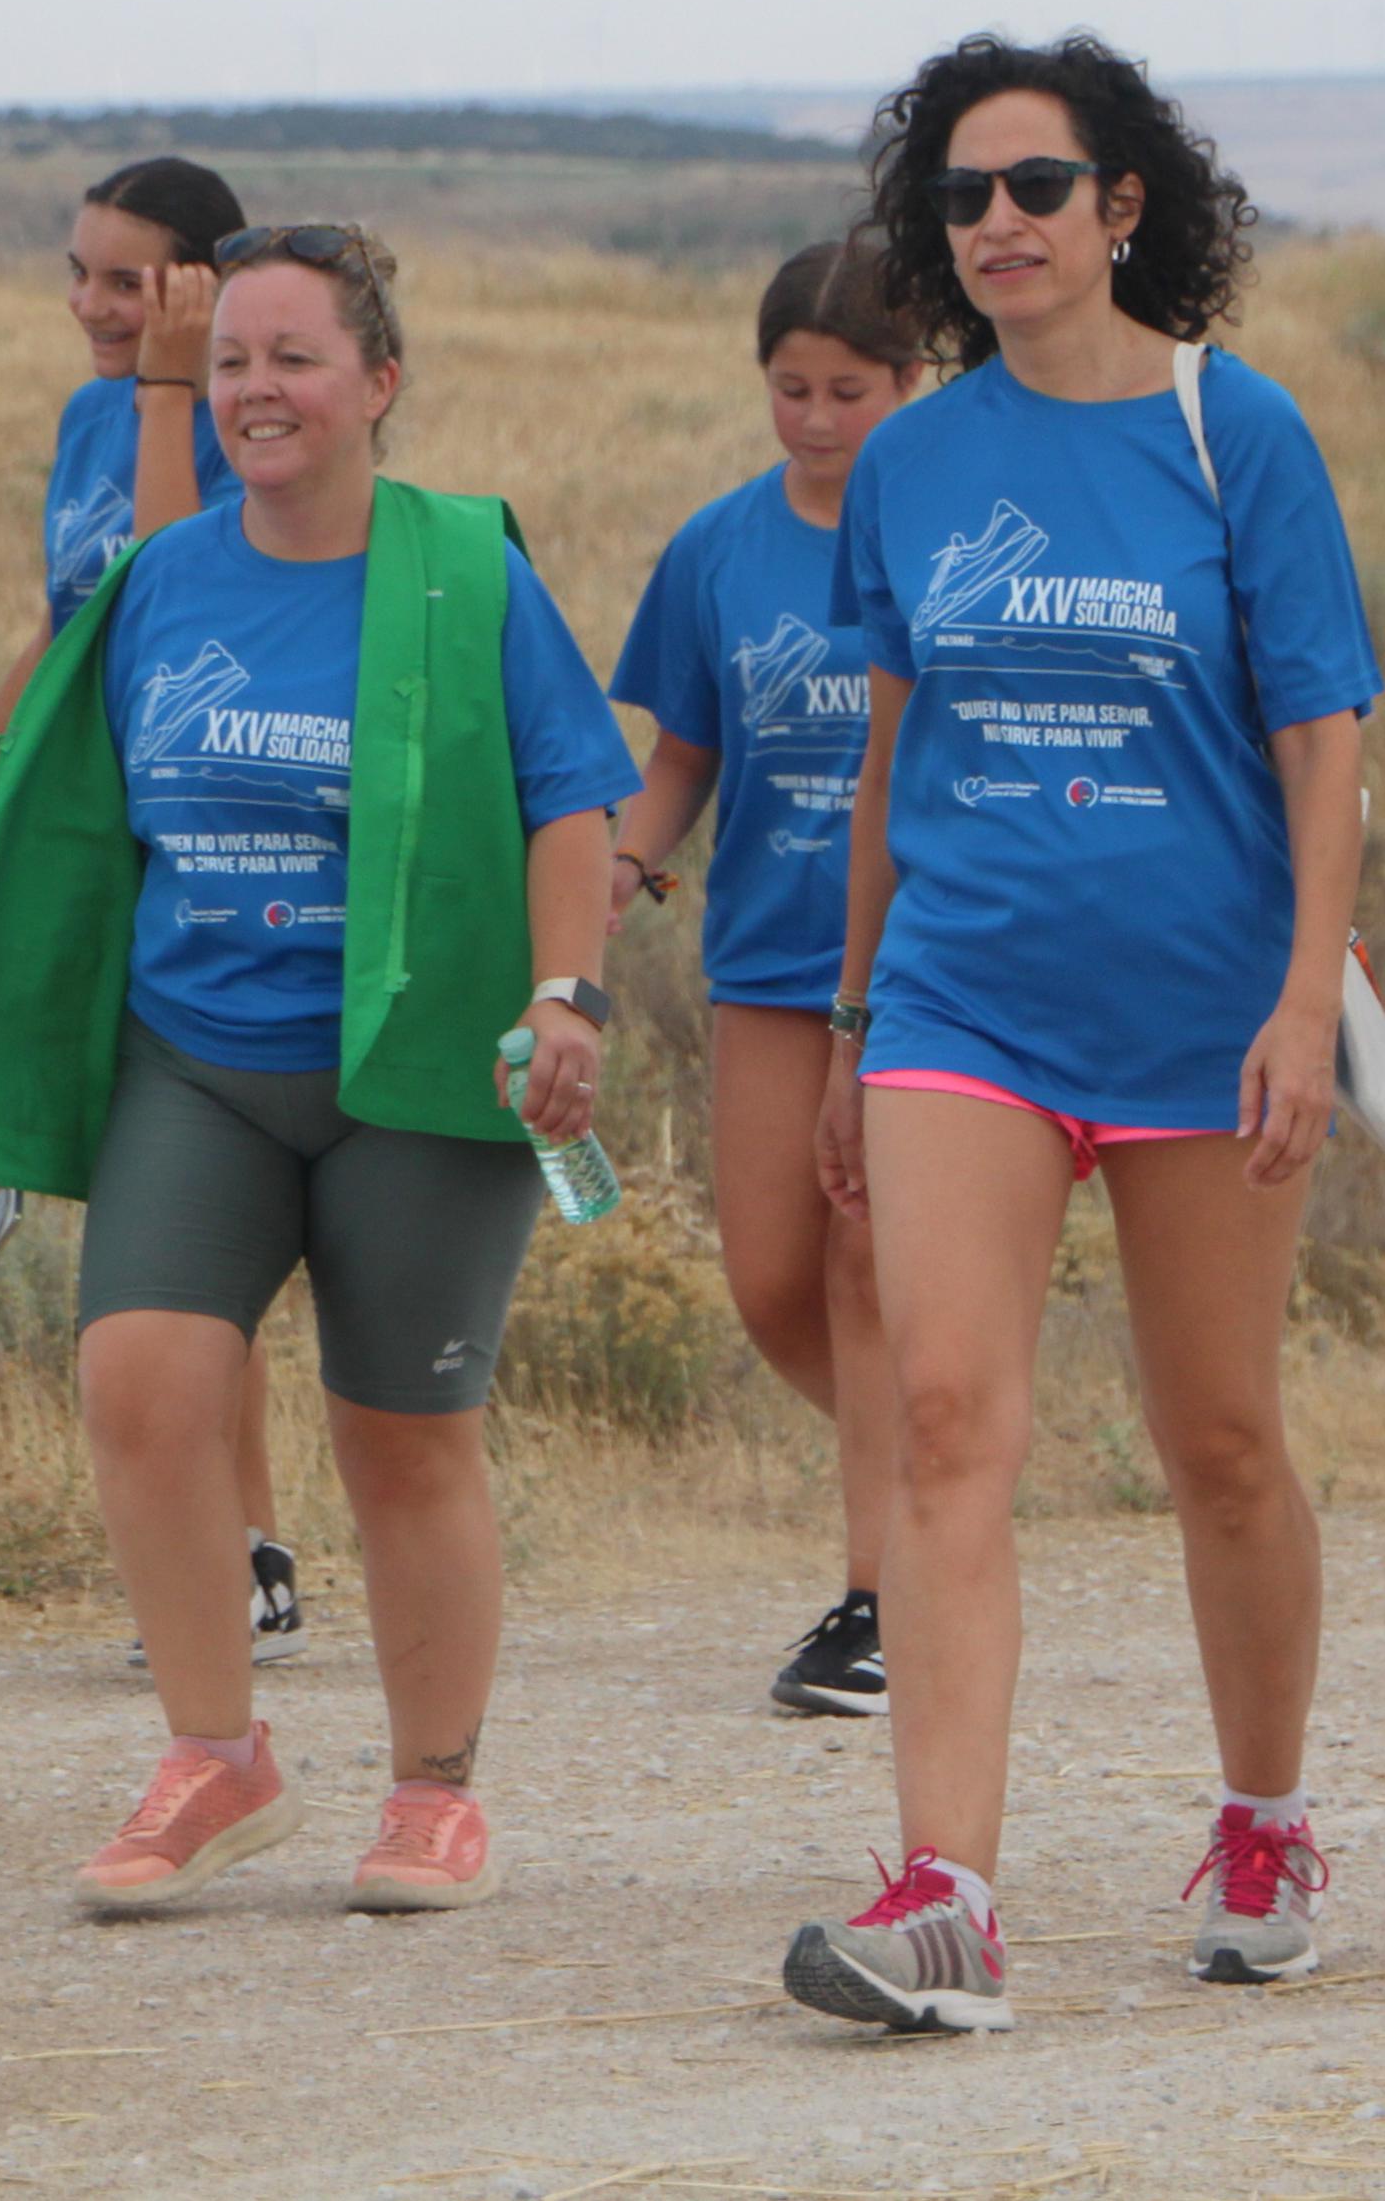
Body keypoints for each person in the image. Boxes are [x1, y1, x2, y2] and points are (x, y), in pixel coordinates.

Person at [0, 222, 639, 1915]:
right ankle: (217, 1757)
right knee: (142, 1388)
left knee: (402, 1441)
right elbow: (74, 825)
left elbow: (566, 797)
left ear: (380, 383)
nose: (256, 390)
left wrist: (568, 995)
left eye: (295, 358)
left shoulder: (463, 568)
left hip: (418, 1064)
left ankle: (435, 1790)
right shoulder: (163, 580)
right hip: (202, 1060)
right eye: (231, 360)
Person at [780, 34, 1382, 2033]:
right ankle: (946, 1894)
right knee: (949, 1418)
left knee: (1220, 1443)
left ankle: (1268, 1813)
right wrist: (859, 1019)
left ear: (1127, 206)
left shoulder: (1239, 431)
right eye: (962, 197)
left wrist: (1308, 993)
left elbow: (1322, 736)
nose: (999, 225)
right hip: (965, 1004)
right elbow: (892, 747)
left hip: (1209, 1020)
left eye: (1037, 186)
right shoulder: (920, 455)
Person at [0, 156, 304, 1667]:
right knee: (151, 1213)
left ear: (198, 284)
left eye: (129, 281)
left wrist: (180, 391)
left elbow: (177, 590)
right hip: (86, 838)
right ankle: (231, 1544)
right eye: (79, 274)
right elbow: (72, 636)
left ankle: (246, 1550)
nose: (93, 307)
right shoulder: (88, 418)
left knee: (192, 1220)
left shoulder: (232, 417)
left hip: (203, 844)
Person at [606, 241, 921, 1719]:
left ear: (915, 383)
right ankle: (938, 1475)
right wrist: (615, 867)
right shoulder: (717, 548)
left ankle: (884, 1599)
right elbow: (682, 762)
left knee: (867, 1266)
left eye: (847, 390)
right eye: (788, 387)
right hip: (767, 965)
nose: (812, 417)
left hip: (927, 962)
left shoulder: (948, 534)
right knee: (770, 1280)